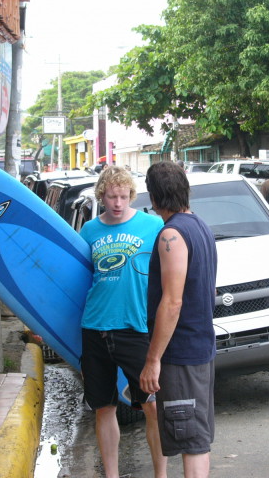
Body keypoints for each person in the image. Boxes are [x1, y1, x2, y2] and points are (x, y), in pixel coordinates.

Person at [79, 166, 167, 478]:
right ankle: (111, 475)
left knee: (153, 406)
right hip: (95, 326)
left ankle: (161, 474)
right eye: (111, 196)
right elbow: (76, 278)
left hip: (135, 328)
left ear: (131, 195)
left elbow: (170, 265)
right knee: (104, 406)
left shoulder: (152, 225)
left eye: (123, 196)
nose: (117, 202)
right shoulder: (89, 231)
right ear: (101, 196)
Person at [140, 161, 218, 478]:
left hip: (182, 353)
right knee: (196, 438)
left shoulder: (171, 234)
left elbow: (172, 302)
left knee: (191, 441)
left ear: (154, 198)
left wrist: (153, 359)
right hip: (198, 348)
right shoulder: (199, 225)